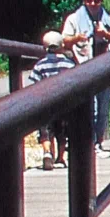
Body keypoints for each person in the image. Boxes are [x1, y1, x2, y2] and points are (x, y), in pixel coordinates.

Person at [63, 0, 110, 152]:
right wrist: (78, 37)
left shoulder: (108, 19)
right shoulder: (74, 19)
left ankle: (99, 141)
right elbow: (64, 41)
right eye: (89, 0)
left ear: (101, 1)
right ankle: (90, 143)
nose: (93, 3)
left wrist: (105, 34)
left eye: (96, 0)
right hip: (85, 68)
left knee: (103, 109)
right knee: (90, 108)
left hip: (105, 69)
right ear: (84, 1)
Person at [27, 31, 79, 170]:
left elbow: (34, 84)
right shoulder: (68, 64)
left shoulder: (40, 65)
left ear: (44, 47)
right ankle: (60, 158)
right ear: (62, 45)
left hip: (45, 104)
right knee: (61, 132)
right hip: (63, 104)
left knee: (45, 131)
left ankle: (47, 152)